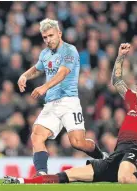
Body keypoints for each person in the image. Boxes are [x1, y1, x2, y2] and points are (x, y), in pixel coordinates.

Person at [5, 43, 137, 184]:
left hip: (135, 150)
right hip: (116, 154)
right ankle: (22, 181)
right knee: (70, 174)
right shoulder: (134, 100)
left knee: (125, 178)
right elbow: (117, 81)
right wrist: (120, 57)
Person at [17, 18, 106, 176]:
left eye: (51, 35)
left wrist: (44, 87)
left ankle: (103, 158)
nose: (48, 40)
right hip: (51, 103)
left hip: (69, 102)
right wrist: (24, 76)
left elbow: (63, 73)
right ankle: (42, 173)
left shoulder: (70, 50)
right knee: (36, 135)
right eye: (45, 37)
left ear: (59, 33)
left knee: (77, 143)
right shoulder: (45, 53)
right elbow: (38, 68)